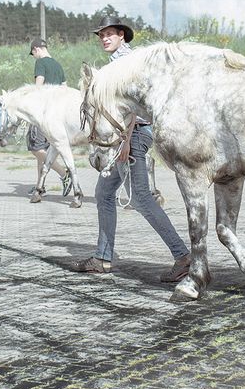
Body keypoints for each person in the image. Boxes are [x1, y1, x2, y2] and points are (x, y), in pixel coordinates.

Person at [77, 14, 191, 282]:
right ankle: (103, 257)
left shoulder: (127, 62)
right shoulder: (119, 62)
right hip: (130, 135)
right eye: (102, 35)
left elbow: (133, 106)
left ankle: (183, 256)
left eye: (110, 34)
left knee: (140, 198)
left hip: (134, 135)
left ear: (122, 36)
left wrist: (126, 143)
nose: (104, 39)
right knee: (104, 192)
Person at [26, 38, 72, 201]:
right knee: (45, 151)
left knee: (35, 148)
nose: (34, 56)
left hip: (43, 114)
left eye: (33, 53)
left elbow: (38, 88)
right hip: (58, 115)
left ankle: (65, 174)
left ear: (36, 49)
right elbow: (65, 88)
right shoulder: (58, 65)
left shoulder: (40, 63)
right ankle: (40, 186)